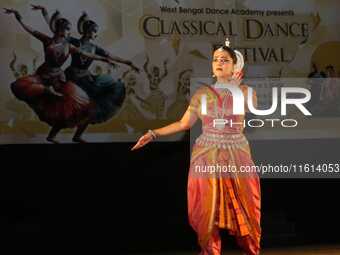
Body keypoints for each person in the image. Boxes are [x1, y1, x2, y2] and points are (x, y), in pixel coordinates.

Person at [131, 38, 261, 255]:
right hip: (206, 155)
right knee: (206, 211)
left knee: (247, 206)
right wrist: (153, 134)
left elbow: (254, 113)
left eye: (225, 60)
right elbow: (183, 124)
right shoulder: (202, 94)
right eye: (215, 59)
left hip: (236, 154)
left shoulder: (246, 91)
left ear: (235, 65)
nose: (219, 63)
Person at [4, 7, 118, 143]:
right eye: (68, 29)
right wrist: (18, 16)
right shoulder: (47, 40)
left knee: (77, 106)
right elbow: (29, 29)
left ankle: (63, 136)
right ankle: (48, 96)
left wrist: (103, 59)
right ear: (60, 30)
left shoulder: (68, 45)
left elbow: (85, 53)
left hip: (59, 78)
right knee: (45, 97)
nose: (70, 32)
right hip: (44, 75)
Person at [32, 5, 140, 143]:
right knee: (69, 110)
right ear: (89, 32)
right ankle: (52, 136)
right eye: (95, 32)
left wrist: (128, 62)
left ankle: (77, 136)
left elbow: (111, 56)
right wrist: (45, 13)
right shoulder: (73, 41)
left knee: (89, 110)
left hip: (87, 81)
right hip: (73, 80)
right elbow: (55, 31)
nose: (96, 35)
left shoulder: (95, 48)